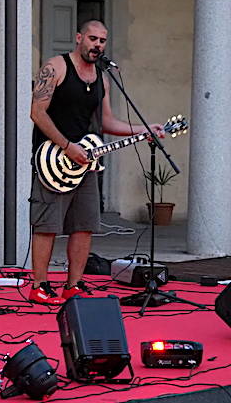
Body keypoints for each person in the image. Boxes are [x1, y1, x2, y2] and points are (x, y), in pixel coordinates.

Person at [28, 20, 165, 306]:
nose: (97, 45)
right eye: (92, 39)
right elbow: (37, 113)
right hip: (53, 158)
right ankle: (39, 286)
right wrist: (67, 146)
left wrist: (144, 129)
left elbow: (107, 122)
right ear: (79, 38)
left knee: (85, 224)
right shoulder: (55, 67)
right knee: (47, 225)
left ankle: (73, 285)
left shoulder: (103, 79)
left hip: (87, 161)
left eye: (102, 40)